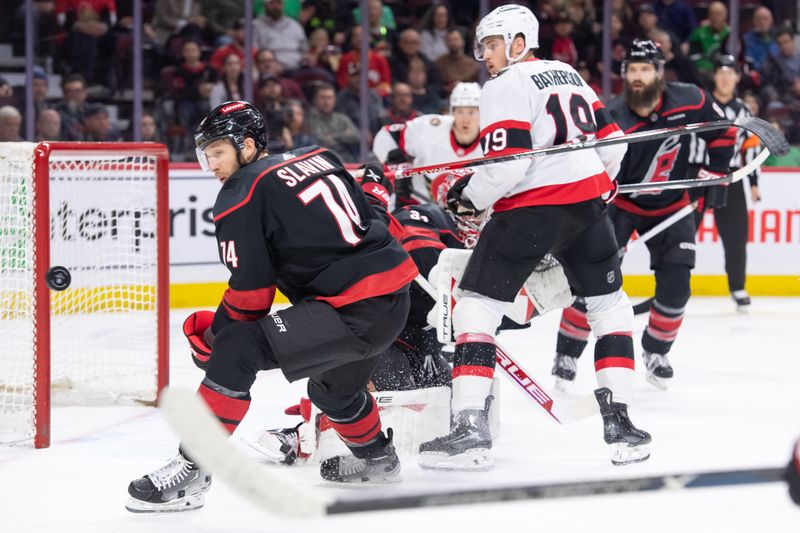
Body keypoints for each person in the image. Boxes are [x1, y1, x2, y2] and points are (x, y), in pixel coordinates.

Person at [126, 101, 417, 512]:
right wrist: (375, 187)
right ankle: (380, 462)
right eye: (205, 154)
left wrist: (213, 338)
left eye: (217, 152)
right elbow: (375, 218)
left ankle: (193, 468)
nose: (210, 165)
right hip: (392, 303)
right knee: (333, 391)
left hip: (350, 312)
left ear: (247, 145)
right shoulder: (320, 157)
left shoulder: (240, 195)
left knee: (237, 349)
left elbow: (251, 297)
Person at [418, 5, 650, 471]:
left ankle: (468, 429)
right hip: (587, 207)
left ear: (519, 41)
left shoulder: (505, 84)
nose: (485, 54)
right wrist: (603, 184)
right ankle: (622, 425)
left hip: (532, 210)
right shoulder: (566, 72)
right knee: (610, 307)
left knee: (476, 305)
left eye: (492, 43)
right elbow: (615, 143)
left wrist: (470, 199)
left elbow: (509, 164)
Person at [551, 40, 736, 391]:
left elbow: (722, 132)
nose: (638, 77)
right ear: (624, 75)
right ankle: (567, 352)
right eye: (632, 70)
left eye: (645, 69)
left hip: (673, 205)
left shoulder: (691, 98)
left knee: (677, 285)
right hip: (622, 206)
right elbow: (592, 165)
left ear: (659, 73)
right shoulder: (611, 115)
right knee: (590, 281)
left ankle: (656, 351)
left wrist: (716, 171)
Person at [688, 54, 762, 311]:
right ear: (715, 76)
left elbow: (750, 149)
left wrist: (753, 182)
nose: (725, 77)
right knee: (683, 232)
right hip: (697, 175)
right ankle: (675, 283)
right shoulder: (701, 103)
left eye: (730, 72)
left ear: (737, 78)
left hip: (730, 177)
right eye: (721, 72)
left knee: (736, 235)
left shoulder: (744, 110)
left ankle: (737, 286)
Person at [372, 82, 482, 206]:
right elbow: (385, 136)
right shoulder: (429, 128)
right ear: (452, 112)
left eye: (471, 112)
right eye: (460, 111)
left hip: (472, 215)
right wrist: (398, 169)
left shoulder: (493, 139)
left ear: (481, 113)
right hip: (420, 208)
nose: (465, 119)